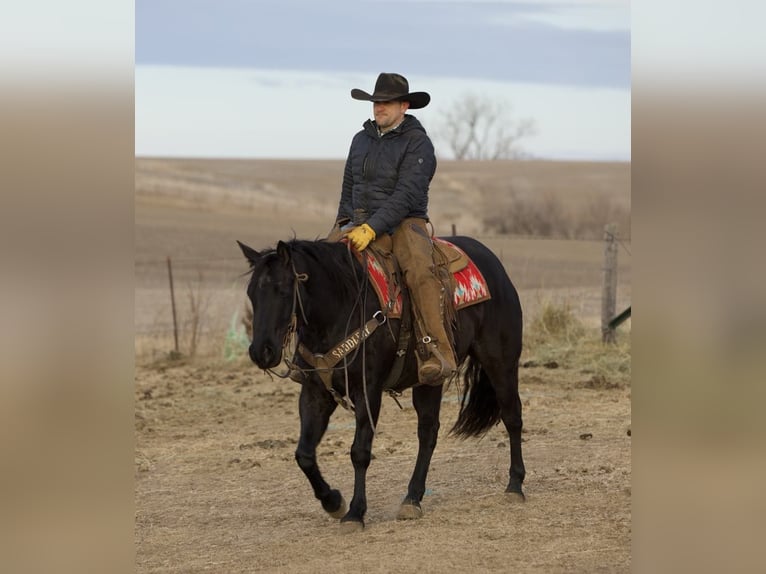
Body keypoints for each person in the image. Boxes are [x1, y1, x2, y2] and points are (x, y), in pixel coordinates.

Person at [328, 72, 457, 386]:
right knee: (316, 267)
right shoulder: (360, 140)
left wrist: (373, 228)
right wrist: (343, 224)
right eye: (375, 103)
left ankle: (436, 353)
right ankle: (314, 353)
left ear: (404, 106)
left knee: (420, 272)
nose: (378, 109)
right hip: (358, 223)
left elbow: (407, 195)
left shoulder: (418, 144)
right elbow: (349, 187)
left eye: (385, 103)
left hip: (404, 224)